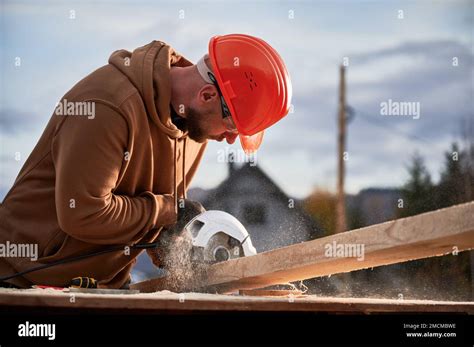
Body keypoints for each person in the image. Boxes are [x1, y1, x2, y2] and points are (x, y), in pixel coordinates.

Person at [0, 34, 292, 289]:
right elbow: (83, 214)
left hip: (102, 286)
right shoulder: (106, 106)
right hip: (23, 279)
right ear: (207, 95)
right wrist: (168, 211)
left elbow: (152, 221)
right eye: (231, 128)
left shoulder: (194, 129)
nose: (229, 139)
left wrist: (180, 245)